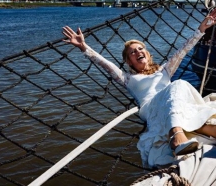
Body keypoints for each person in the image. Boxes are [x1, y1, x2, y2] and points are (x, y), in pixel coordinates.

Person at [62, 11, 216, 167]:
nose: (137, 52)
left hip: (173, 103)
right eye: (132, 52)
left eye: (140, 48)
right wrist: (83, 46)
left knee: (180, 86)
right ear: (129, 62)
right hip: (151, 108)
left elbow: (183, 50)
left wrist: (201, 29)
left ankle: (204, 131)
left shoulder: (164, 70)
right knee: (177, 85)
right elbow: (104, 63)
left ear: (148, 55)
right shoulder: (128, 79)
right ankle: (176, 135)